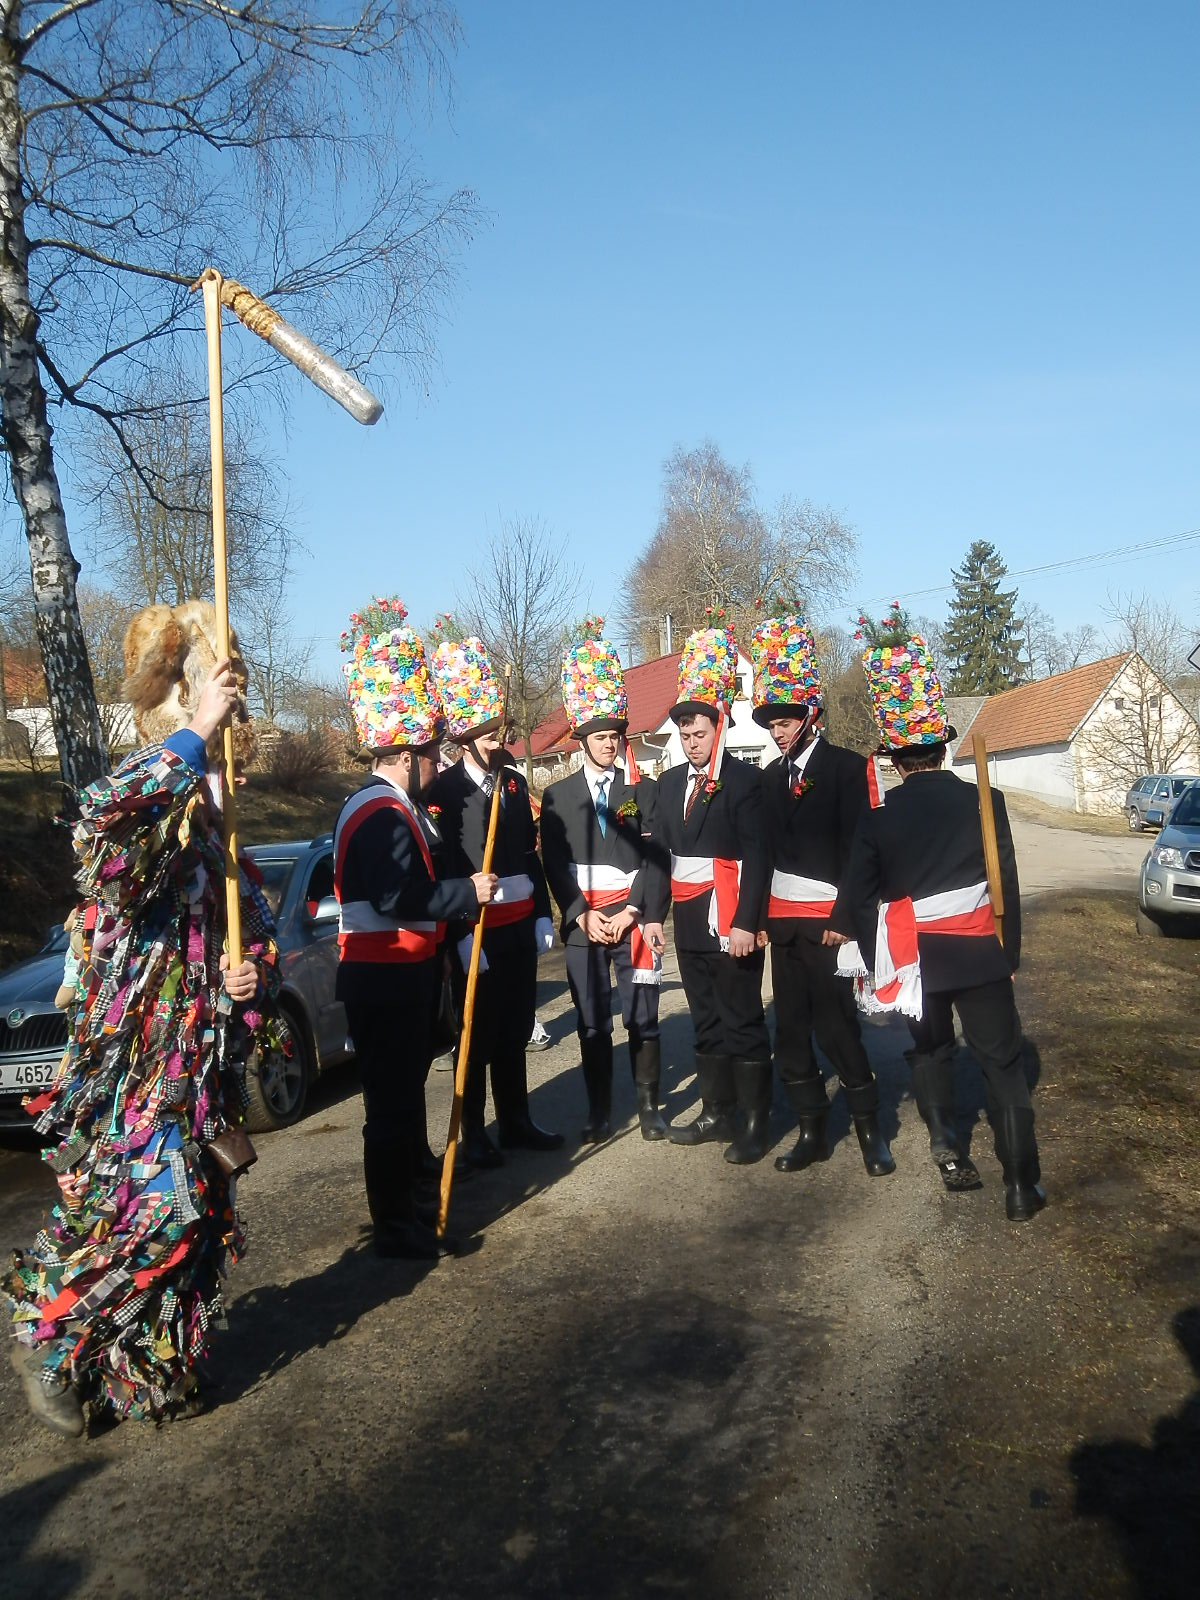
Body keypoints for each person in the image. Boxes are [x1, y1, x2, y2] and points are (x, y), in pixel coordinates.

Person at [6, 600, 278, 1435]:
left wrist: (248, 985)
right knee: (147, 1216)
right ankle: (48, 1340)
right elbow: (101, 821)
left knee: (195, 1235)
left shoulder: (225, 860)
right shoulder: (140, 836)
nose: (220, 774)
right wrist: (194, 732)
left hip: (204, 1084)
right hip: (138, 1083)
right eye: (210, 755)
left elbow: (260, 960)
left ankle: (135, 1375)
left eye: (227, 755)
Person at [836, 633, 1045, 1221]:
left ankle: (948, 1151)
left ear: (896, 759)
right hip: (981, 954)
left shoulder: (879, 818)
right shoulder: (987, 800)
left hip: (914, 963)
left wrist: (871, 945)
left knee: (929, 1053)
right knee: (1002, 1063)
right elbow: (1007, 885)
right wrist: (1010, 955)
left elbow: (857, 900)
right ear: (942, 746)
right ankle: (1022, 1184)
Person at [334, 610, 496, 1259]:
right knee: (390, 1107)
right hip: (384, 977)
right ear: (406, 754)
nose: (437, 763)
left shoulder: (394, 806)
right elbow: (398, 897)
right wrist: (466, 895)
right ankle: (396, 1224)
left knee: (403, 1097)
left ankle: (412, 1184)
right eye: (430, 752)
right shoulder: (378, 811)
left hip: (402, 976)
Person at [749, 614, 894, 1178]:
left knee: (837, 1029)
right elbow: (760, 854)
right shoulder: (767, 778)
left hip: (830, 926)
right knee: (789, 1031)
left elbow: (864, 850)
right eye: (772, 725)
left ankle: (870, 1133)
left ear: (810, 715)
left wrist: (846, 916)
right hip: (783, 928)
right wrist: (755, 916)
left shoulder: (847, 769)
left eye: (786, 722)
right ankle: (812, 1129)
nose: (779, 733)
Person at [427, 636, 561, 1166]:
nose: (493, 740)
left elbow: (530, 856)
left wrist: (543, 913)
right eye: (483, 734)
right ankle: (474, 1133)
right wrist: (461, 937)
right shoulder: (445, 792)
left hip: (517, 927)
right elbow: (445, 869)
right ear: (464, 736)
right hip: (475, 930)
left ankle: (516, 1120)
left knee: (514, 1025)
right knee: (475, 1035)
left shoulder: (512, 782)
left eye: (497, 731)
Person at [539, 637, 669, 1143]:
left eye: (615, 734)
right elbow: (552, 861)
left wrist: (637, 909)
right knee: (592, 1022)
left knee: (643, 1016)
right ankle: (598, 1112)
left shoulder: (641, 790)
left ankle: (650, 1107)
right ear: (582, 740)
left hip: (630, 917)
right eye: (600, 735)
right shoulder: (558, 795)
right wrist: (577, 912)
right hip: (585, 923)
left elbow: (659, 859)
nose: (610, 742)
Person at [655, 628, 772, 1163]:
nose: (691, 741)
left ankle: (753, 1122)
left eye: (699, 732)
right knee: (704, 1016)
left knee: (741, 1017)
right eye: (684, 733)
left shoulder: (747, 782)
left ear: (719, 726)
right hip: (686, 915)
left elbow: (759, 855)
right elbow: (658, 854)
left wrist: (748, 921)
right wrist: (652, 916)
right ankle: (716, 1110)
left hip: (730, 918)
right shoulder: (669, 781)